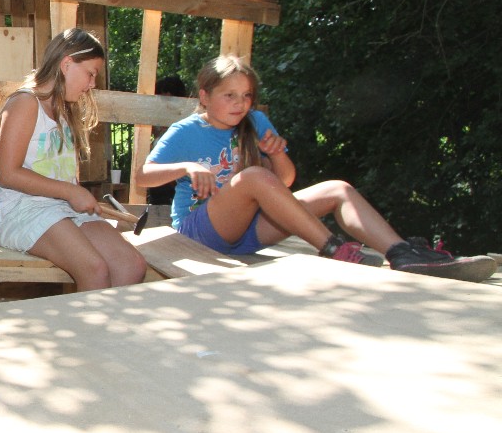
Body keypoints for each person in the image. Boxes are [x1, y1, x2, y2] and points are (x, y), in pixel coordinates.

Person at [137, 55, 497, 281]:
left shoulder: (256, 122)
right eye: (229, 95)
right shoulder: (187, 131)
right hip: (199, 232)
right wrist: (186, 166)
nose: (239, 103)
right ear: (204, 96)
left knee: (337, 188)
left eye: (246, 96)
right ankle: (333, 248)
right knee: (253, 176)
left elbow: (284, 181)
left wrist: (277, 154)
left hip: (251, 231)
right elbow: (142, 176)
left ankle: (403, 253)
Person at [0, 29, 147, 291]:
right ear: (66, 64)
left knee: (131, 265)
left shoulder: (63, 111)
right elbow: (7, 174)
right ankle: (87, 319)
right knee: (94, 268)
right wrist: (69, 191)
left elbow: (60, 176)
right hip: (23, 211)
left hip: (63, 209)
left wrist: (74, 192)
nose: (92, 84)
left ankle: (104, 320)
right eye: (90, 74)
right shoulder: (25, 103)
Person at [145, 75, 188, 208]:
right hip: (159, 175)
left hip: (178, 175)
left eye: (168, 98)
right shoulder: (157, 114)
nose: (164, 102)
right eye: (161, 98)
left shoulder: (185, 118)